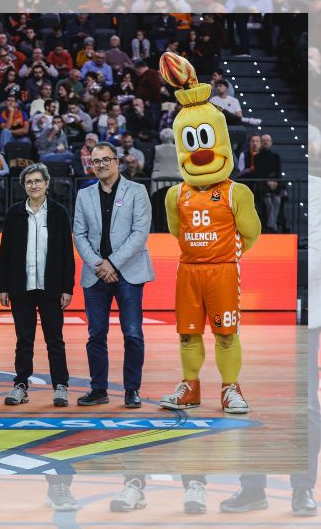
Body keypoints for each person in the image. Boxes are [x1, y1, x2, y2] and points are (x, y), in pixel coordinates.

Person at [158, 63, 261, 416]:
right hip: (188, 270)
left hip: (222, 270)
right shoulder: (175, 194)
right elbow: (177, 232)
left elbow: (251, 233)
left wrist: (226, 253)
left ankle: (231, 389)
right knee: (187, 334)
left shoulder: (236, 191)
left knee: (226, 334)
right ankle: (190, 387)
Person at [73, 141, 154, 408]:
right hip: (95, 274)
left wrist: (112, 264)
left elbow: (140, 234)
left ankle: (132, 390)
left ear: (117, 162)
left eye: (106, 159)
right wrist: (100, 264)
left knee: (132, 333)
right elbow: (79, 235)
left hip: (128, 273)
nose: (101, 165)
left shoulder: (137, 191)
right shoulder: (84, 195)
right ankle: (98, 389)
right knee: (96, 334)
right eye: (96, 161)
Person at [0, 163, 74, 407]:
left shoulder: (59, 213)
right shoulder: (14, 213)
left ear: (47, 183)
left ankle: (60, 386)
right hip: (21, 287)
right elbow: (5, 253)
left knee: (55, 340)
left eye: (38, 181)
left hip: (51, 288)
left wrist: (67, 288)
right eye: (29, 182)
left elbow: (67, 253)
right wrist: (3, 286)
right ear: (24, 186)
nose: (34, 185)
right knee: (24, 340)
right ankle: (21, 385)